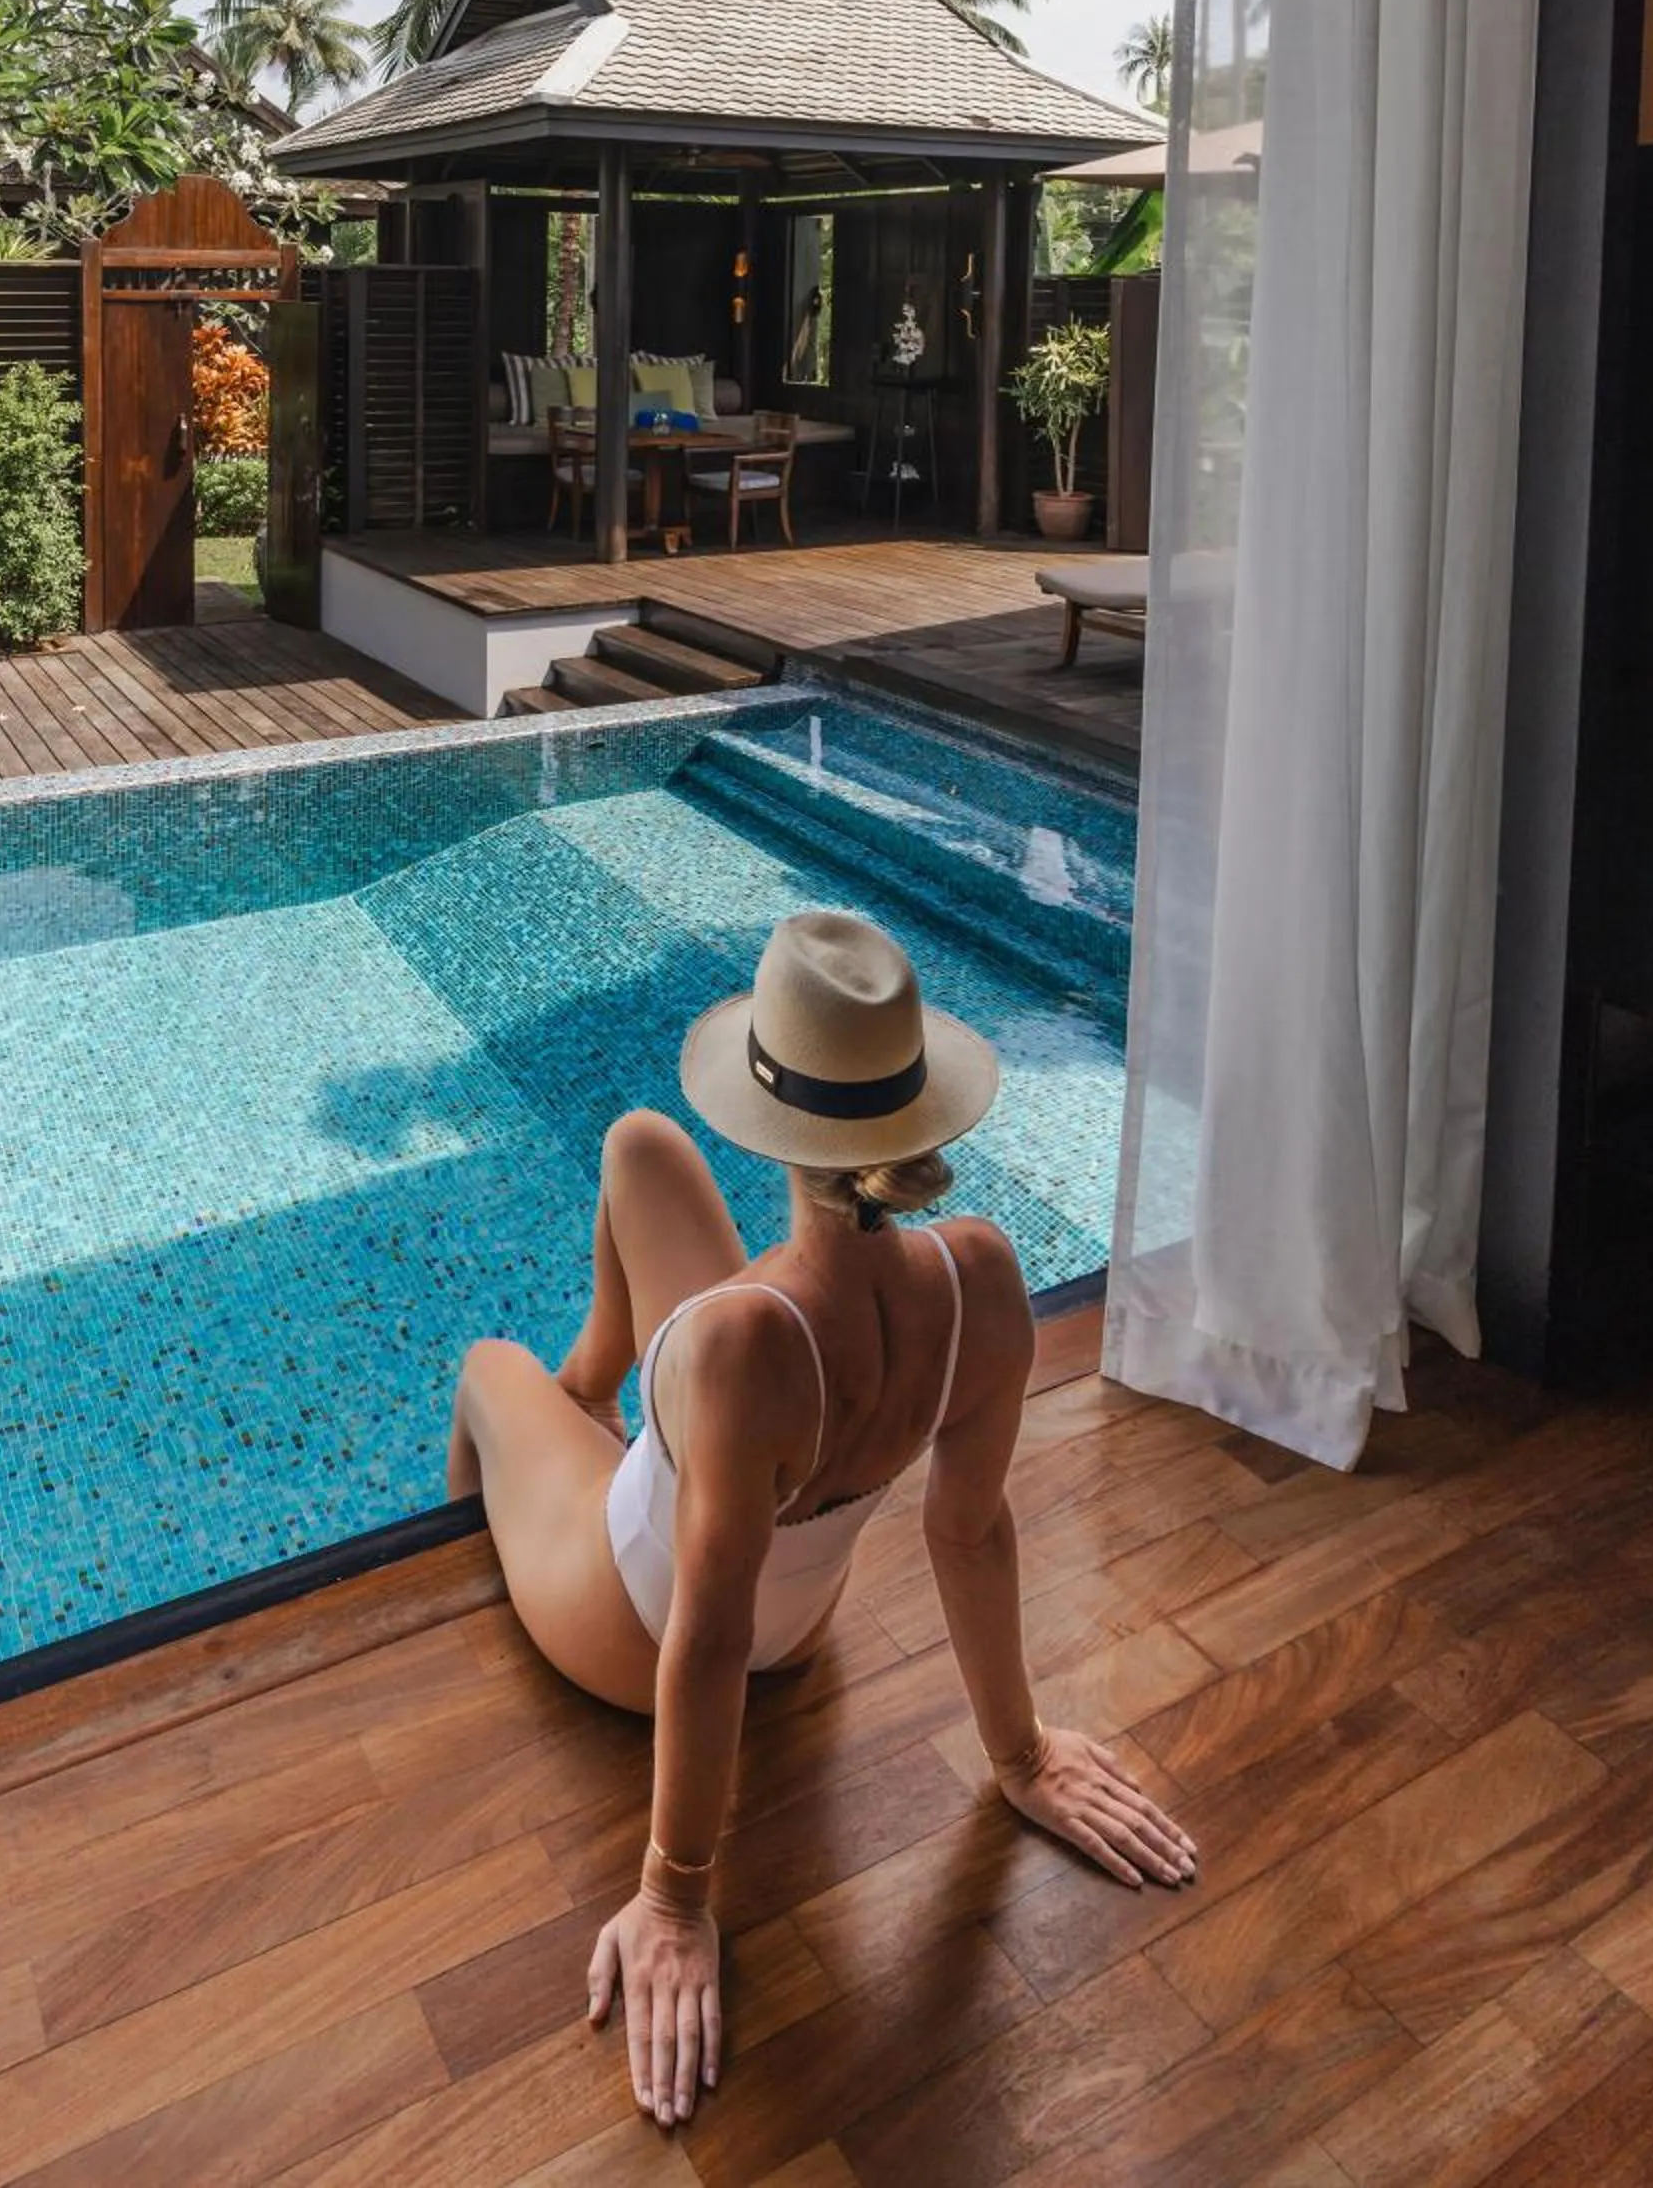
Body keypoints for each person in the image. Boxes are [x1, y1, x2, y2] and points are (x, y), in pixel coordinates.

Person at [446, 910, 1198, 2133]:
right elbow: (972, 1533)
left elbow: (703, 1635)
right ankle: (592, 1387)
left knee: (487, 1371)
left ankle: (559, 1425)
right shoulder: (986, 1281)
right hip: (797, 1600)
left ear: (772, 1111)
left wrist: (677, 1894)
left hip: (635, 1623)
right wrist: (1019, 1751)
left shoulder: (744, 1343)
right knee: (640, 1149)